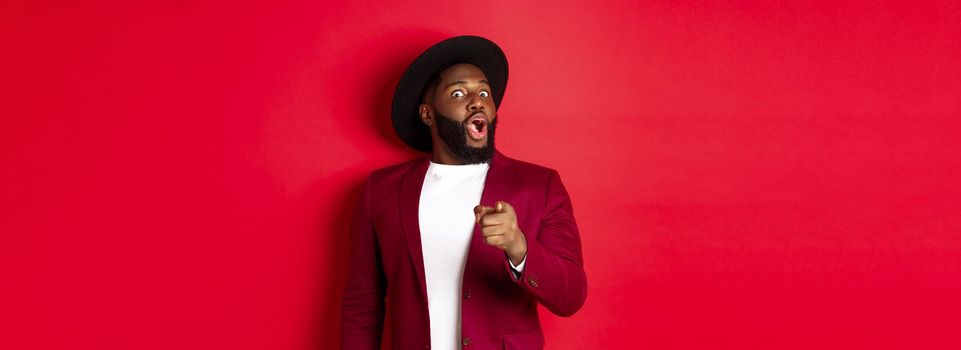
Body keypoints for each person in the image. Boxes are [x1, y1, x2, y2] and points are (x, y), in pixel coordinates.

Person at [340, 35, 587, 350]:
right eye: (458, 92)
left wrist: (519, 246)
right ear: (428, 114)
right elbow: (363, 305)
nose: (477, 100)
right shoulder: (381, 190)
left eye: (484, 91)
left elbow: (571, 297)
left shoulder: (540, 185)